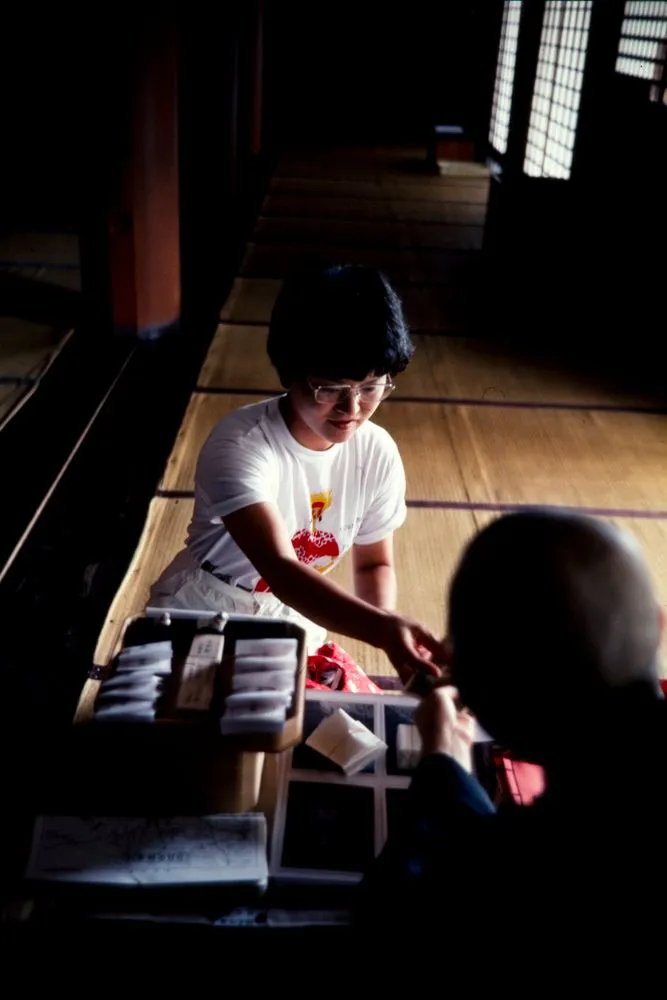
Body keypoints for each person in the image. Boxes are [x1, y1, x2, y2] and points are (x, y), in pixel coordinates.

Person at [361, 510, 667, 948]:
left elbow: (394, 909)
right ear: (658, 627)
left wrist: (443, 766)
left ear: (479, 698)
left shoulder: (522, 877)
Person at [149, 265, 445, 684]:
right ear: (289, 374)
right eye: (329, 388)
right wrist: (381, 629)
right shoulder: (241, 443)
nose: (352, 408)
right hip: (204, 605)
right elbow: (281, 570)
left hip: (295, 611)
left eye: (370, 386)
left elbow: (373, 565)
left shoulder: (377, 453)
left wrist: (391, 633)